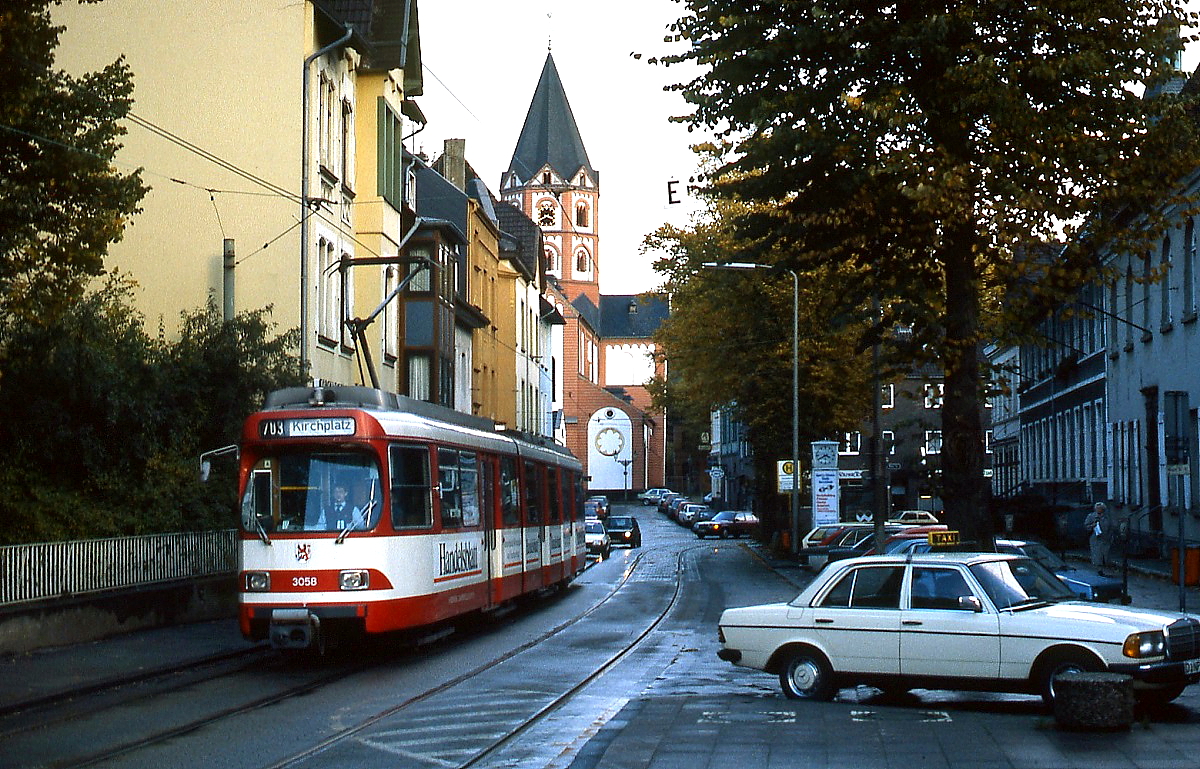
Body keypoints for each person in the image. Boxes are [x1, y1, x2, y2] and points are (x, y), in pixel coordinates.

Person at [1084, 502, 1111, 572]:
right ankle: (1099, 569)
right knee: (1097, 554)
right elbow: (1086, 526)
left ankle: (1105, 567)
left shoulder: (1107, 517)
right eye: (1097, 508)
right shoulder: (1091, 516)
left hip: (1105, 539)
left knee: (1105, 555)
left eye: (1100, 508)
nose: (1099, 510)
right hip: (1095, 539)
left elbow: (1110, 527)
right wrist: (1092, 526)